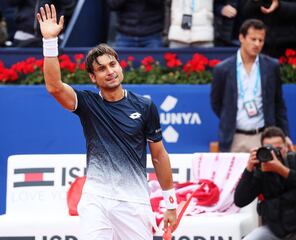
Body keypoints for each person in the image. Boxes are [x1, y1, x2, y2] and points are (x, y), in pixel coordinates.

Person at [37, 4, 177, 239]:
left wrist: (170, 203)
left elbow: (159, 156)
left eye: (113, 64)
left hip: (134, 201)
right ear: (93, 77)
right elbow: (54, 87)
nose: (109, 71)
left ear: (120, 67)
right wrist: (50, 43)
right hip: (96, 200)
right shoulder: (87, 103)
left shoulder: (144, 106)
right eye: (101, 69)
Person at [211, 18, 293, 153]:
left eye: (261, 40)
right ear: (241, 38)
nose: (257, 44)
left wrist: (285, 135)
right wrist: (229, 118)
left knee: (265, 174)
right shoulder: (223, 69)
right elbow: (217, 103)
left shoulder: (272, 66)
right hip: (234, 137)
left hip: (263, 136)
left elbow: (278, 104)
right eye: (253, 39)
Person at [234, 126, 296, 239]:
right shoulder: (261, 170)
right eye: (269, 149)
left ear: (286, 148)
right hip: (274, 231)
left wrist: (281, 170)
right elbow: (240, 200)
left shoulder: (293, 161)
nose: (274, 153)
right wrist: (249, 168)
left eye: (278, 148)